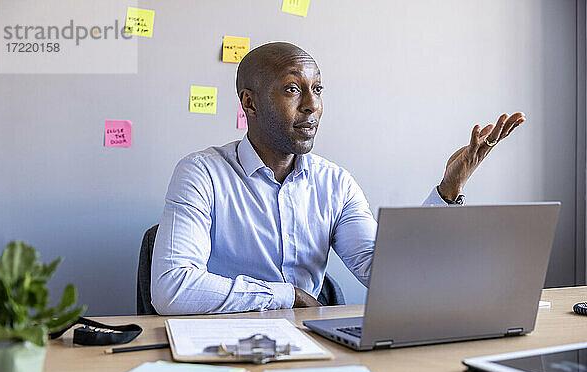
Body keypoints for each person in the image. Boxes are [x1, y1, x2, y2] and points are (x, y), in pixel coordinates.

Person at [151, 42, 525, 315]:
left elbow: (393, 277)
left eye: (317, 90)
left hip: (309, 348)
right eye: (293, 89)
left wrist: (448, 191)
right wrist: (286, 295)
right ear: (250, 102)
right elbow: (172, 288)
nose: (311, 105)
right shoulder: (200, 173)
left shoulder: (335, 183)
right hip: (223, 347)